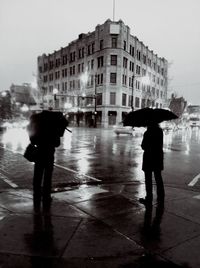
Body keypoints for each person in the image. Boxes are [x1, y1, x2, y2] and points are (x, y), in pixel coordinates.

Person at [27, 109, 68, 212]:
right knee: (48, 174)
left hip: (39, 150)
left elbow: (32, 136)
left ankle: (36, 194)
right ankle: (46, 195)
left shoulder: (37, 120)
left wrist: (35, 141)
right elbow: (57, 142)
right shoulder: (54, 123)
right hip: (50, 152)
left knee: (38, 173)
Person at [139, 122, 165, 206]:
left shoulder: (148, 132)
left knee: (148, 179)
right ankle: (161, 196)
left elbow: (143, 146)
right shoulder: (160, 131)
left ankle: (149, 198)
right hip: (158, 157)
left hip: (149, 158)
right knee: (158, 178)